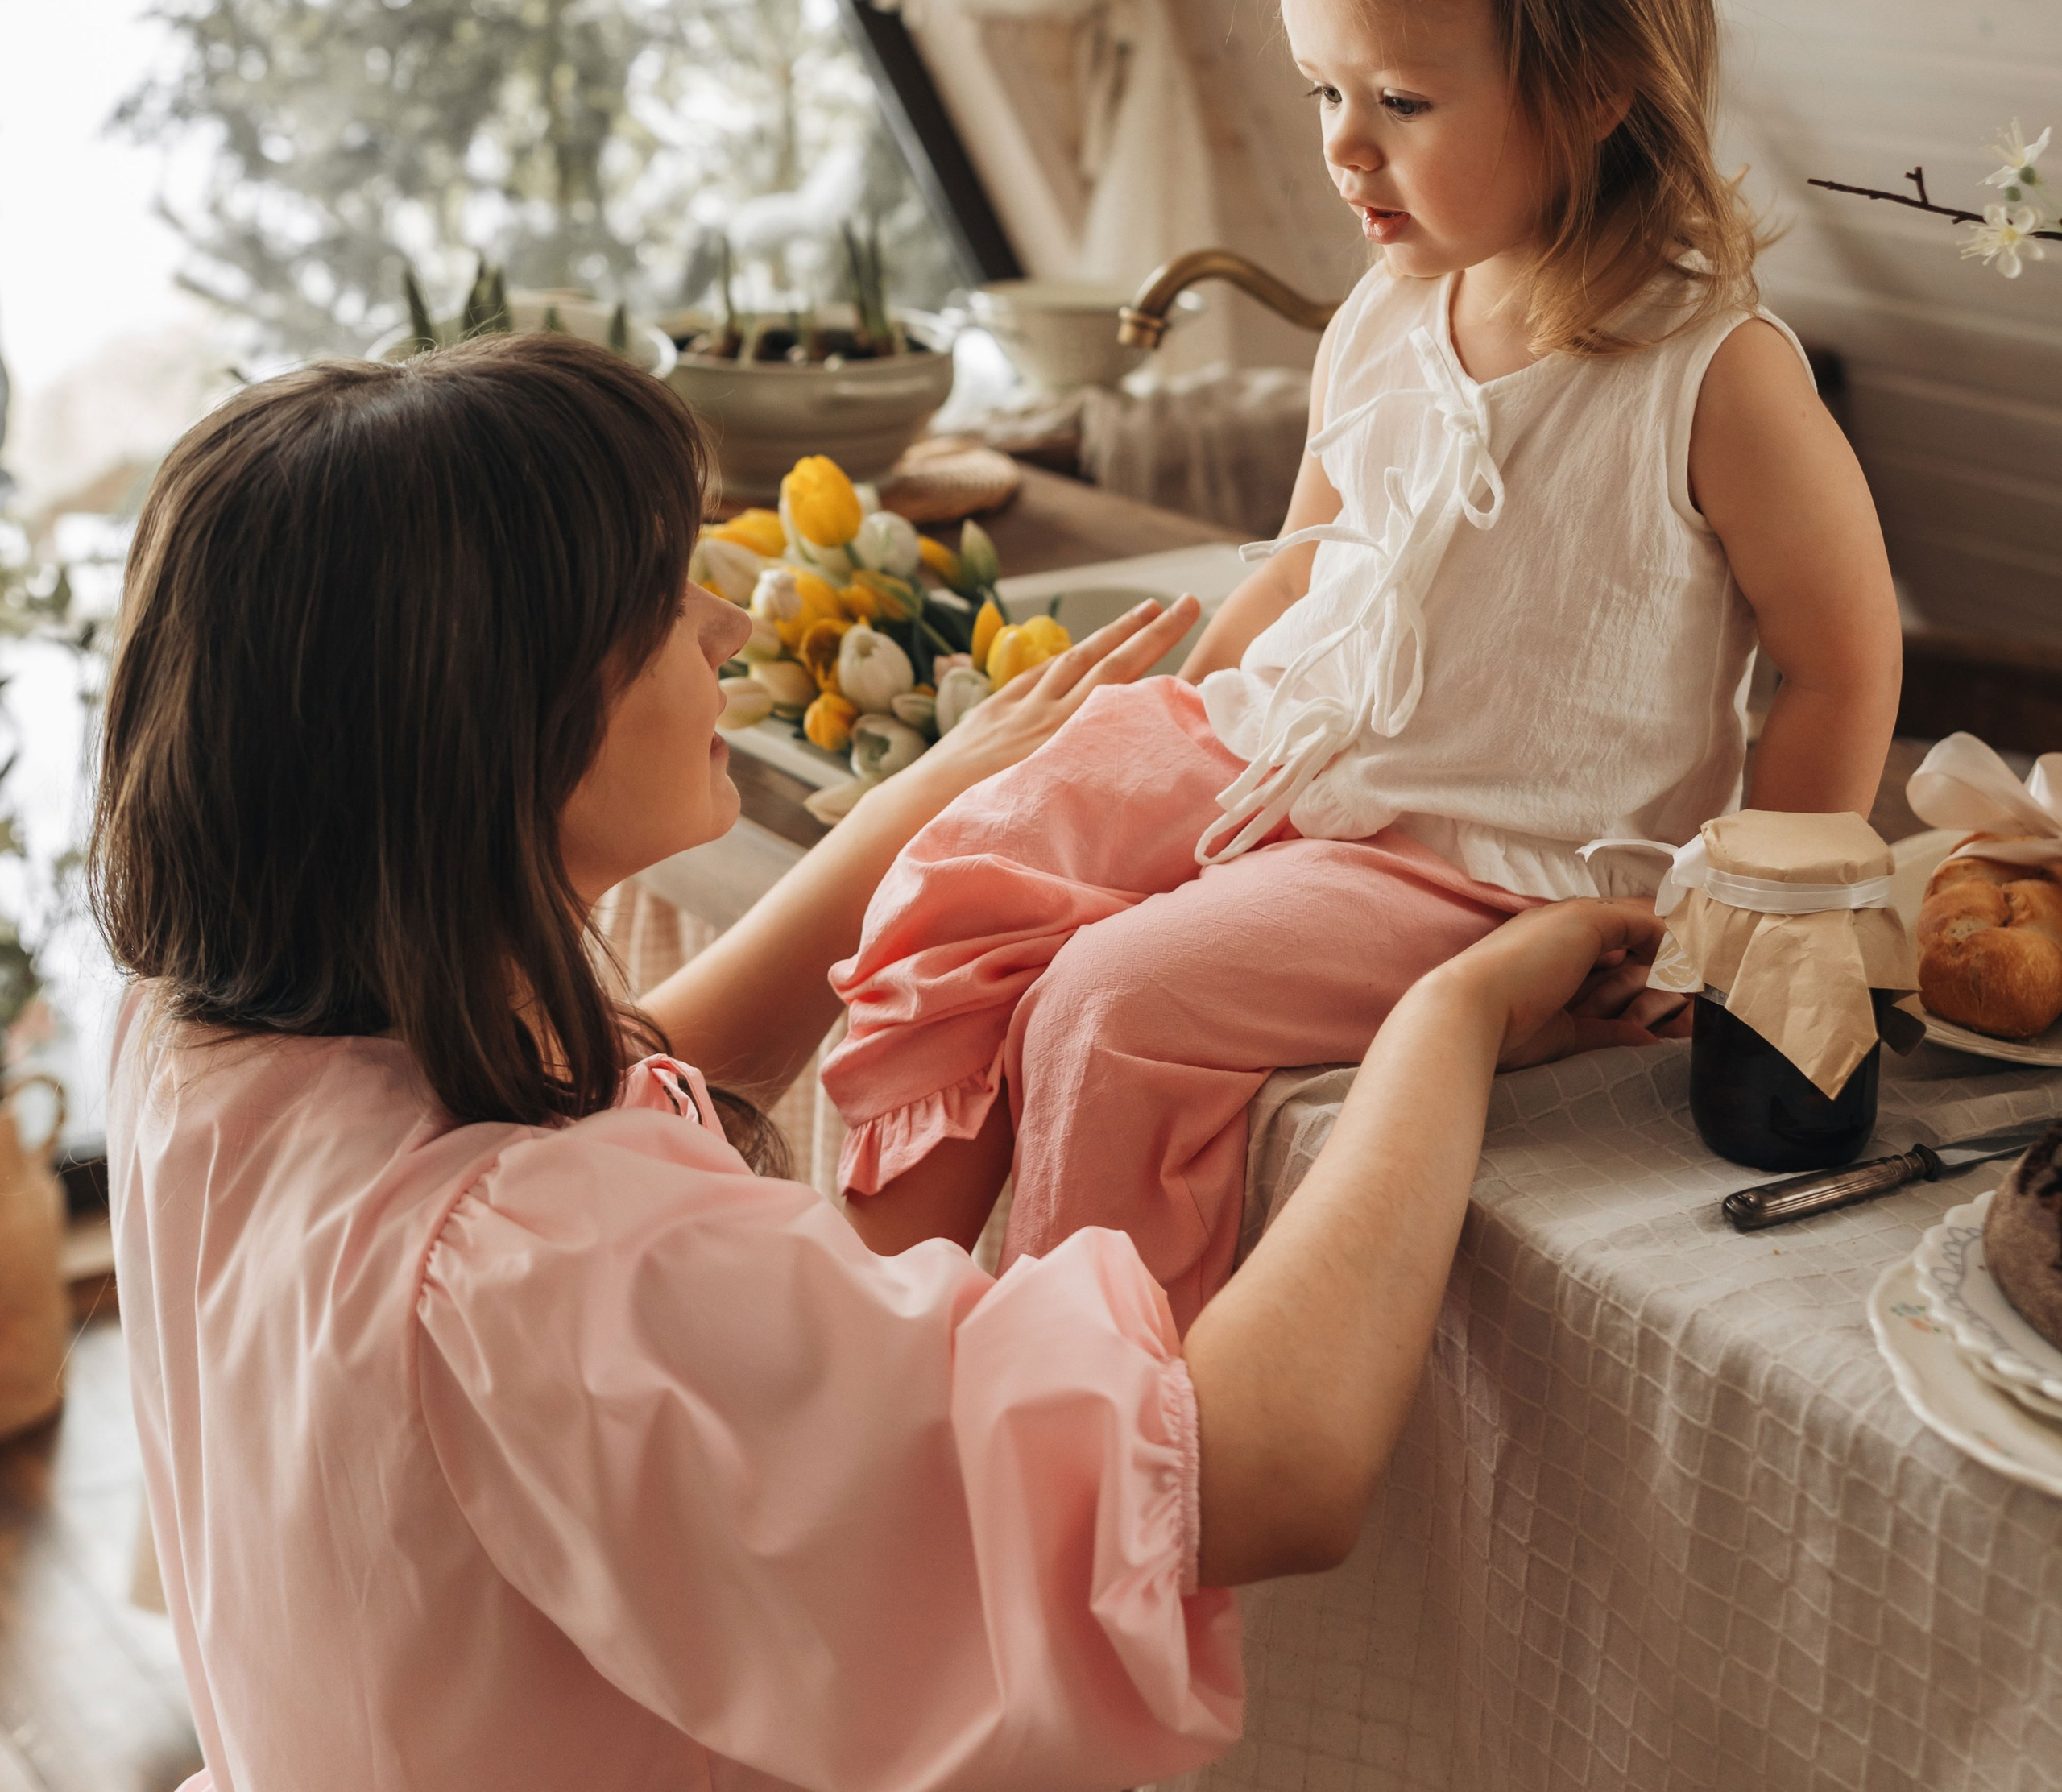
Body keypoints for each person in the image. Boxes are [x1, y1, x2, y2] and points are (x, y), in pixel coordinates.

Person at [97, 335, 1671, 1792]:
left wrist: (923, 804)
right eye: (662, 604)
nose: (724, 625)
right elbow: (1254, 1467)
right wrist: (1446, 1022)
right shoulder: (553, 1265)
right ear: (494, 725)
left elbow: (645, 1075)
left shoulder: (209, 1045)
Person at [827, 0, 1904, 1322]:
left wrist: (1740, 945)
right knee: (968, 855)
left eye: (1398, 102)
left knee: (1107, 1003)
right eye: (1324, 92)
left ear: (1593, 85)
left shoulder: (1712, 374)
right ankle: (872, 1324)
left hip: (1484, 865)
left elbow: (1836, 662)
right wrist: (1155, 730)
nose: (1342, 148)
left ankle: (1094, 1427)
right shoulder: (1391, 308)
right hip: (1292, 758)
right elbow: (1303, 558)